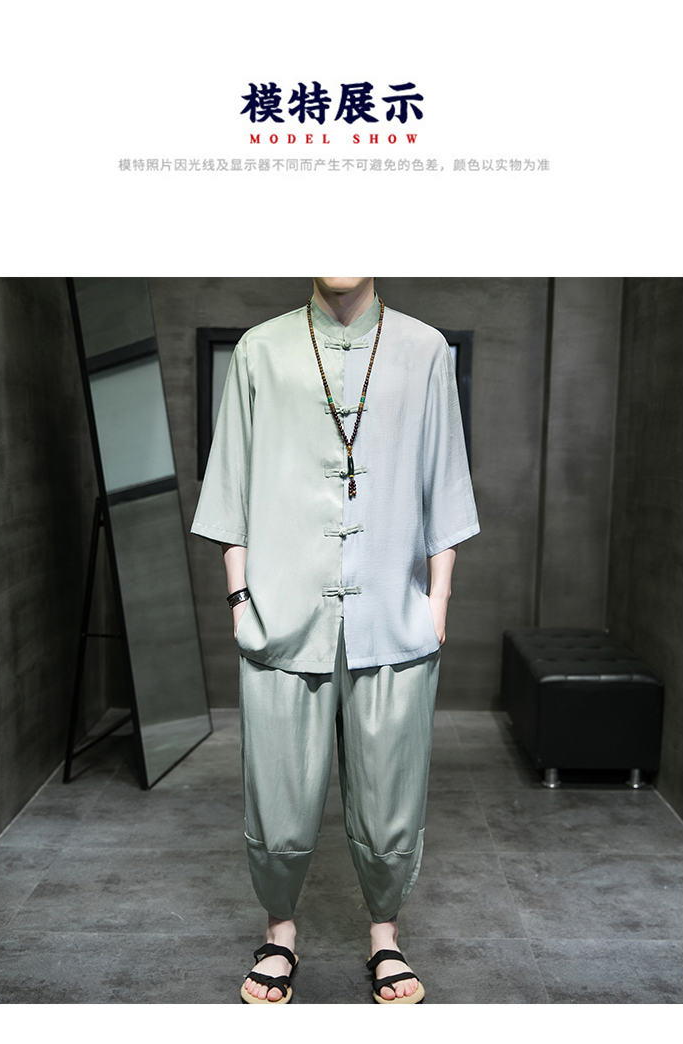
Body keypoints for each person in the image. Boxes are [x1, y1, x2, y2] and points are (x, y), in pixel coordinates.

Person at [191, 277, 479, 1003]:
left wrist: (437, 601)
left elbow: (445, 477)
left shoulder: (424, 350)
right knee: (278, 791)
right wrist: (240, 600)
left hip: (394, 614)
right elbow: (230, 481)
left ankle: (386, 935)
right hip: (282, 612)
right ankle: (279, 931)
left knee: (390, 796)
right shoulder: (259, 350)